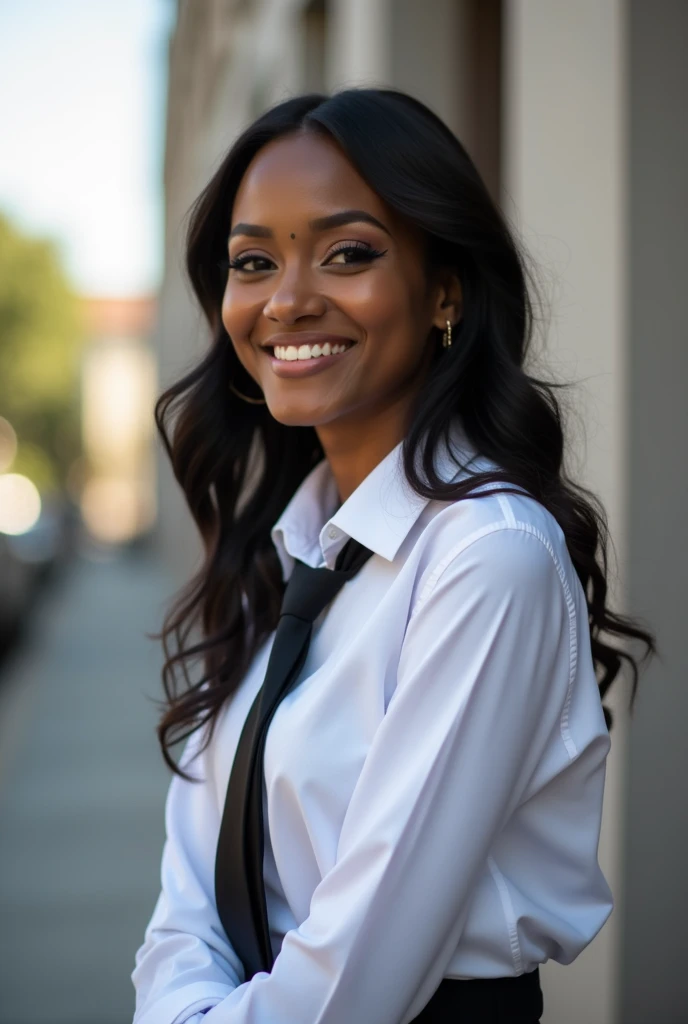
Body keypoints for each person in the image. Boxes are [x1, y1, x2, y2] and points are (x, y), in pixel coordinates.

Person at [131, 88, 655, 1024]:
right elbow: (189, 901)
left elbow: (356, 980)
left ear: (445, 289)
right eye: (253, 262)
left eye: (349, 253)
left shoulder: (487, 559)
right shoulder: (285, 552)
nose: (288, 300)